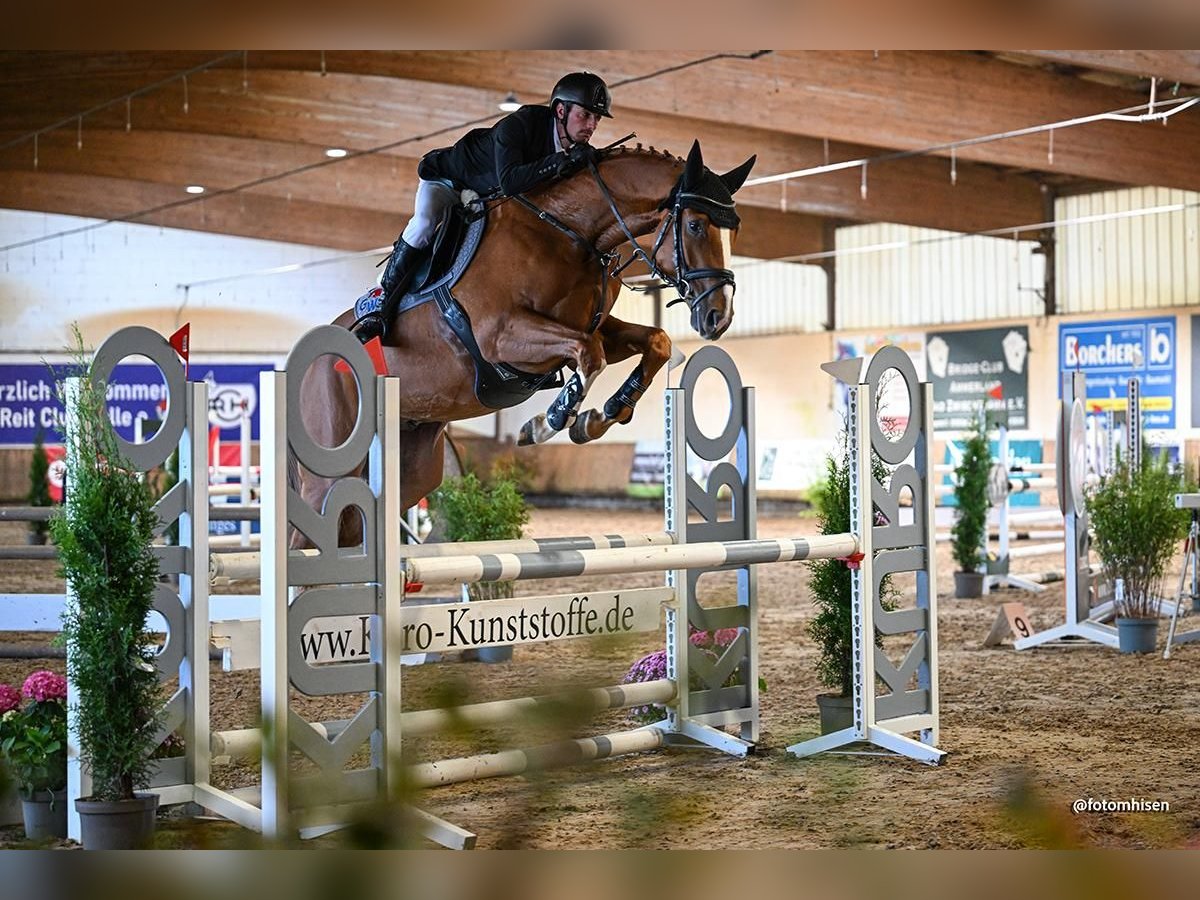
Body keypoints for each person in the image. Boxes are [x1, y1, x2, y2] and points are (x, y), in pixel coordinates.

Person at [352, 71, 613, 343]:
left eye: (596, 118)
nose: (592, 125)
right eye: (585, 115)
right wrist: (562, 162)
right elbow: (511, 182)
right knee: (425, 223)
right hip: (447, 182)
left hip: (482, 196)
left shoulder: (569, 144)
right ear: (561, 110)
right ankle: (380, 300)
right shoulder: (520, 125)